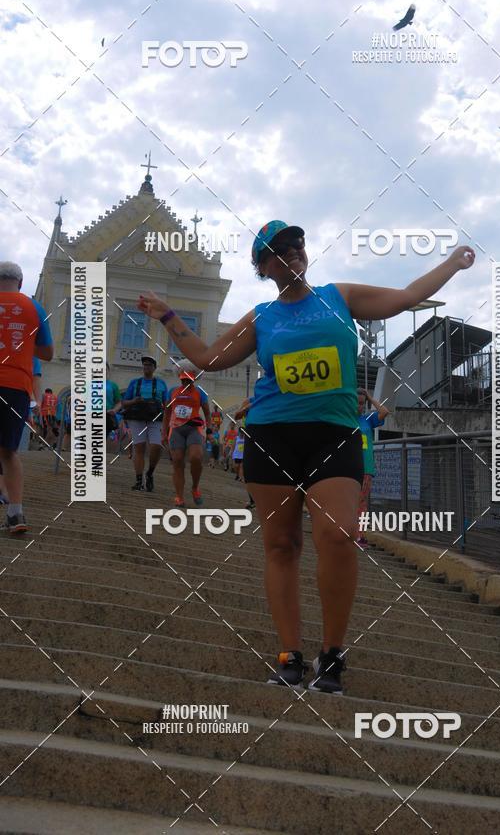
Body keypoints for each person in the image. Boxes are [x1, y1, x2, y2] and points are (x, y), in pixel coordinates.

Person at [137, 221, 475, 695]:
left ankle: (333, 654)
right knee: (281, 547)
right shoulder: (262, 317)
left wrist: (451, 263)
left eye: (296, 243)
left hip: (334, 436)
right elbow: (209, 358)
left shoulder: (338, 297)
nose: (292, 252)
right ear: (263, 267)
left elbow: (404, 297)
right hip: (272, 436)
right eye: (278, 250)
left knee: (337, 535)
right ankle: (290, 655)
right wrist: (168, 316)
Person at [0, 262, 53, 533]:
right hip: (15, 385)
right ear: (20, 282)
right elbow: (47, 353)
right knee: (9, 452)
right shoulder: (35, 308)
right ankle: (15, 515)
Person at [161, 360, 211, 506]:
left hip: (194, 428)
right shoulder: (172, 392)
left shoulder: (200, 393)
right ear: (180, 378)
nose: (186, 383)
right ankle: (179, 496)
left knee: (196, 457)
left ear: (193, 379)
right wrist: (164, 433)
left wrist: (209, 430)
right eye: (183, 380)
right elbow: (166, 413)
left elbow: (207, 413)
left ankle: (195, 487)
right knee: (177, 461)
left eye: (188, 380)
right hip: (176, 429)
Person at [121, 356, 167, 491]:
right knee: (139, 448)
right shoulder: (135, 383)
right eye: (144, 365)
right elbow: (124, 402)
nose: (146, 367)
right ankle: (139, 480)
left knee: (156, 446)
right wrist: (135, 401)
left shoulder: (161, 383)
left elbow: (166, 404)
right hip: (137, 418)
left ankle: (150, 473)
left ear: (154, 368)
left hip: (155, 418)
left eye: (149, 365)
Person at [355, 387, 389, 548]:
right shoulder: (342, 419)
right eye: (356, 402)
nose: (359, 406)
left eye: (362, 403)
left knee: (361, 502)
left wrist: (369, 396)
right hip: (346, 466)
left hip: (365, 468)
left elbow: (384, 412)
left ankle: (359, 536)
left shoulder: (367, 419)